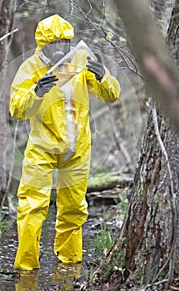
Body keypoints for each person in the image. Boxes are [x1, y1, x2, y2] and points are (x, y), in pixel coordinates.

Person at [9, 14, 120, 270]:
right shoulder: (29, 68)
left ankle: (70, 267)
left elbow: (112, 95)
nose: (60, 48)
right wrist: (36, 92)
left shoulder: (79, 65)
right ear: (42, 44)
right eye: (54, 43)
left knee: (74, 208)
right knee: (32, 206)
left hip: (78, 147)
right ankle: (26, 269)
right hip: (42, 147)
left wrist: (103, 75)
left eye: (64, 42)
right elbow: (17, 109)